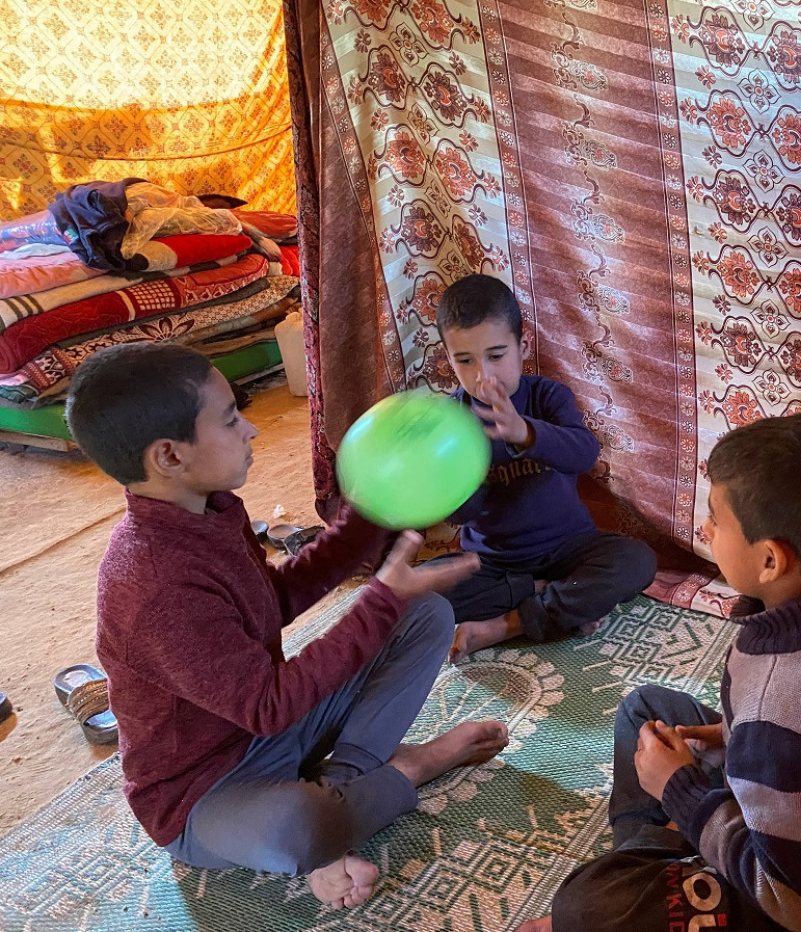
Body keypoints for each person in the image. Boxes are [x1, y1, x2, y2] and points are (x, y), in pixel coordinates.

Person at [64, 342, 510, 910]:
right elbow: (268, 704)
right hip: (207, 790)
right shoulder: (153, 585)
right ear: (170, 457)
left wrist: (369, 514)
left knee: (424, 613)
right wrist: (378, 598)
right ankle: (411, 768)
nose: (251, 429)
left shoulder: (209, 508)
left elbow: (272, 600)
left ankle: (345, 781)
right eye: (230, 419)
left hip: (275, 732)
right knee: (304, 827)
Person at [519, 413, 801, 932]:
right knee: (646, 710)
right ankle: (663, 847)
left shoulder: (782, 712)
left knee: (585, 908)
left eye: (715, 519)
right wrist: (731, 737)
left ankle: (656, 854)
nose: (704, 530)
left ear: (771, 561)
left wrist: (681, 794)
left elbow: (799, 905)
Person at [431, 274, 657, 662]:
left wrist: (525, 434)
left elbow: (584, 454)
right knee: (413, 596)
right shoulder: (449, 421)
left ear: (523, 347)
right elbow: (459, 515)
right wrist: (463, 469)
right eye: (464, 360)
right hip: (492, 561)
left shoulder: (548, 396)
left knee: (637, 561)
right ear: (447, 358)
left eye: (496, 355)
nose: (482, 375)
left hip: (568, 549)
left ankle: (507, 625)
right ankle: (550, 595)